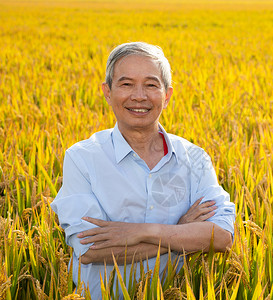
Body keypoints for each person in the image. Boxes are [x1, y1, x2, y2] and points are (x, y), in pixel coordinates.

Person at [50, 42, 236, 298]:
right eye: (126, 84)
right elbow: (90, 251)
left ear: (167, 95)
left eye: (151, 85)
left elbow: (222, 237)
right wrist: (180, 232)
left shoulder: (194, 158)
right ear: (107, 91)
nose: (139, 96)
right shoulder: (83, 158)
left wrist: (142, 232)